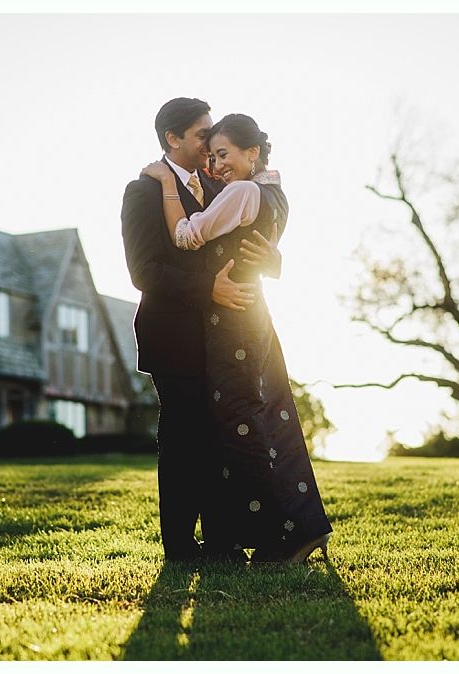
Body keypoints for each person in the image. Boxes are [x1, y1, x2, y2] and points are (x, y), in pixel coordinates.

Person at [141, 113, 332, 563]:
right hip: (253, 319)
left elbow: (187, 237)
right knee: (273, 422)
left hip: (234, 324)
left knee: (242, 428)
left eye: (222, 152)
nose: (214, 162)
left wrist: (168, 184)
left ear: (253, 153)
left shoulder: (243, 192)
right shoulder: (270, 191)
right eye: (209, 152)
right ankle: (299, 528)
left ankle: (277, 539)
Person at [120, 98, 281, 563]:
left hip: (225, 337)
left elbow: (254, 236)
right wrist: (208, 289)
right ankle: (179, 546)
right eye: (200, 135)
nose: (210, 144)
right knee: (183, 441)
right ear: (173, 139)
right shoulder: (143, 192)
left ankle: (222, 541)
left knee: (220, 438)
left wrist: (273, 260)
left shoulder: (224, 182)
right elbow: (143, 271)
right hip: (173, 336)